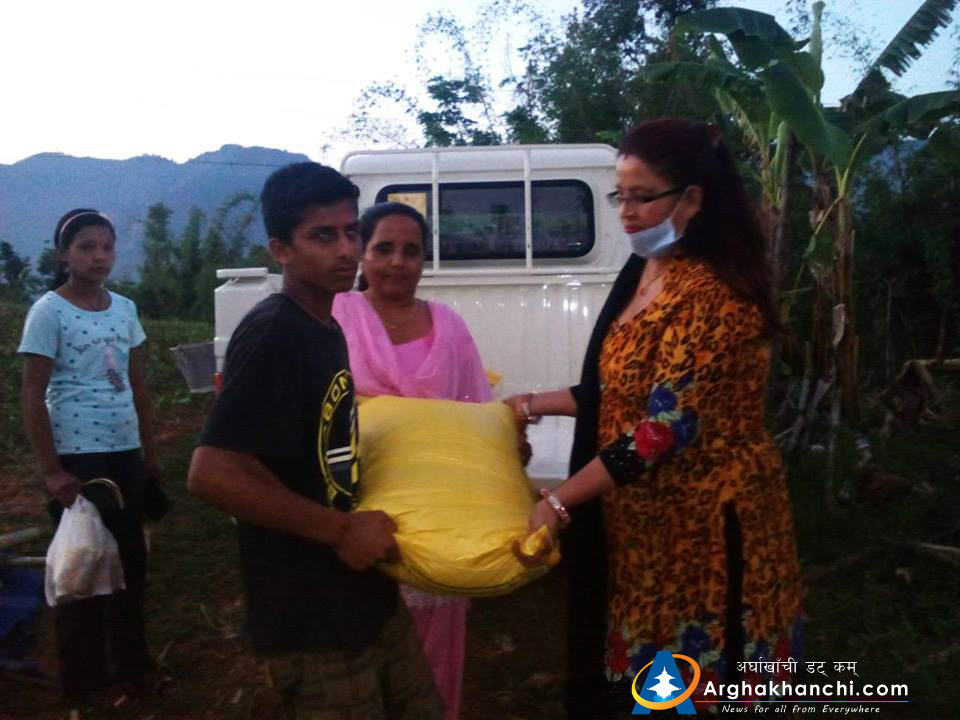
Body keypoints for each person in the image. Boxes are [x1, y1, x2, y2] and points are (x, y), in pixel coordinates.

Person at [505, 118, 804, 717]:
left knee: (706, 683)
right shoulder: (646, 269)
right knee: (652, 689)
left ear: (692, 198)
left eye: (642, 197)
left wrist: (559, 501)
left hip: (708, 531)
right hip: (645, 529)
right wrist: (530, 404)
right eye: (620, 195)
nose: (626, 213)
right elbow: (618, 389)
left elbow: (662, 428)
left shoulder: (715, 294)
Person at [187, 163, 442, 720]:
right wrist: (341, 530)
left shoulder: (325, 326)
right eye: (323, 236)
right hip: (310, 617)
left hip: (363, 595)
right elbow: (212, 472)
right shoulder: (276, 333)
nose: (345, 249)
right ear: (281, 249)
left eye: (351, 231)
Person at [332, 202, 492, 720]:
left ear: (426, 259)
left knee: (432, 648)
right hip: (357, 511)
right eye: (384, 249)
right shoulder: (336, 316)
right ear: (362, 253)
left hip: (437, 516)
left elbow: (475, 414)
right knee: (360, 644)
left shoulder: (448, 326)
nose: (397, 262)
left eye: (411, 251)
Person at [19, 208, 160, 710]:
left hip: (124, 452)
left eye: (107, 246)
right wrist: (52, 470)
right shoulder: (48, 312)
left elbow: (137, 384)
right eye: (86, 247)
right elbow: (32, 396)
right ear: (64, 255)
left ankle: (133, 667)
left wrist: (149, 454)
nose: (99, 256)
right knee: (82, 568)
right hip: (78, 458)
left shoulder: (124, 309)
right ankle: (84, 680)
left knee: (129, 564)